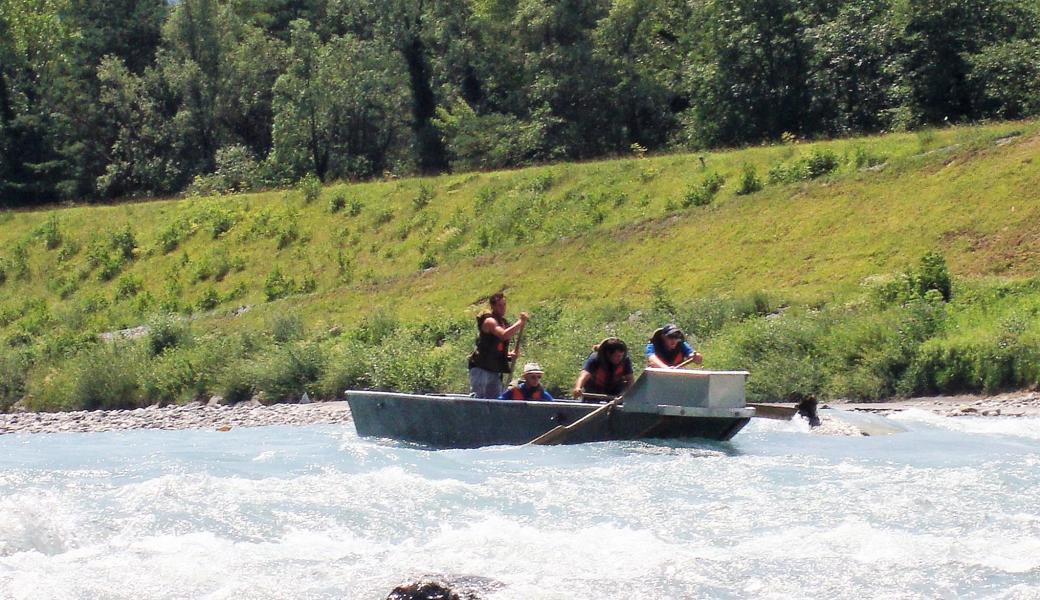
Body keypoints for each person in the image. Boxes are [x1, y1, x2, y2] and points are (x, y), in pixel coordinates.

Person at [468, 292, 528, 398]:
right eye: (499, 305)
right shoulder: (489, 321)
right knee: (479, 400)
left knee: (495, 402)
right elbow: (503, 335)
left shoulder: (503, 323)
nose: (503, 308)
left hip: (494, 370)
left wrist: (509, 355)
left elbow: (497, 349)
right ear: (493, 306)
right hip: (480, 368)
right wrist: (520, 322)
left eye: (504, 305)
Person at [572, 337, 633, 401]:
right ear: (608, 354)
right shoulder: (595, 359)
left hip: (614, 390)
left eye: (621, 356)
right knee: (590, 390)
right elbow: (584, 375)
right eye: (617, 356)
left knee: (622, 390)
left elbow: (630, 379)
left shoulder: (625, 360)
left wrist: (629, 393)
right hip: (595, 389)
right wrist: (578, 388)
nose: (620, 358)